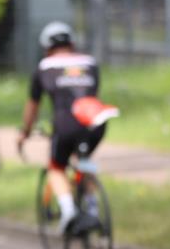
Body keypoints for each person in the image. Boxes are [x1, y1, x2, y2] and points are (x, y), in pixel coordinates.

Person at [17, 22, 119, 234]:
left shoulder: (44, 67)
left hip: (65, 124)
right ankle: (91, 209)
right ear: (72, 43)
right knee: (84, 162)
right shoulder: (90, 63)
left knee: (56, 167)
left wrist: (24, 132)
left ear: (46, 47)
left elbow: (32, 106)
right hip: (95, 121)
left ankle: (68, 210)